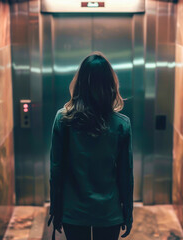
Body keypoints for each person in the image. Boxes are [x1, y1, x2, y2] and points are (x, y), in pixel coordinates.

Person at [48, 51, 134, 240]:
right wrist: (128, 213)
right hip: (108, 212)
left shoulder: (63, 120)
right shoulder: (121, 124)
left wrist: (55, 209)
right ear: (110, 85)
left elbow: (56, 170)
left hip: (74, 211)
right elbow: (125, 175)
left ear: (80, 84)